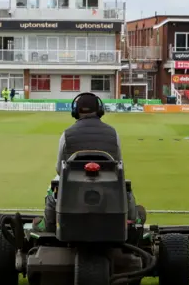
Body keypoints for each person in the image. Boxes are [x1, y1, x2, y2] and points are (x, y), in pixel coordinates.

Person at [32, 92, 142, 232]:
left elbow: (60, 169)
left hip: (73, 192)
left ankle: (49, 224)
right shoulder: (113, 134)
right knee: (124, 185)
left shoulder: (66, 135)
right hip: (108, 191)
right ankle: (132, 220)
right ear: (100, 110)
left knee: (53, 185)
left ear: (75, 111)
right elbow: (118, 165)